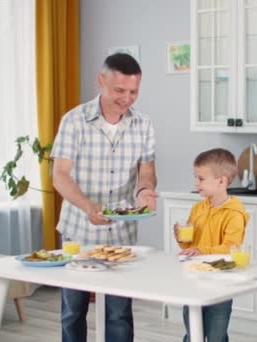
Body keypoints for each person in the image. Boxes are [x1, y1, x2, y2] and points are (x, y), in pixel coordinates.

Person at [51, 53, 157, 342]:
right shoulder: (74, 121)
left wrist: (145, 191)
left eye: (133, 91)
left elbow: (145, 171)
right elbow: (60, 175)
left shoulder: (143, 124)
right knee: (73, 310)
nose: (127, 98)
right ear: (101, 81)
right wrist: (88, 206)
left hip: (121, 232)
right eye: (119, 91)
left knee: (119, 310)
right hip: (78, 231)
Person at [174, 148, 250, 342]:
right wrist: (182, 239)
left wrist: (200, 250)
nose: (196, 183)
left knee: (217, 335)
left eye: (200, 179)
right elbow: (190, 245)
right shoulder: (198, 208)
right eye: (196, 178)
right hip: (195, 278)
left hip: (221, 281)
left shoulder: (235, 213)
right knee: (193, 332)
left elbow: (230, 247)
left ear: (221, 181)